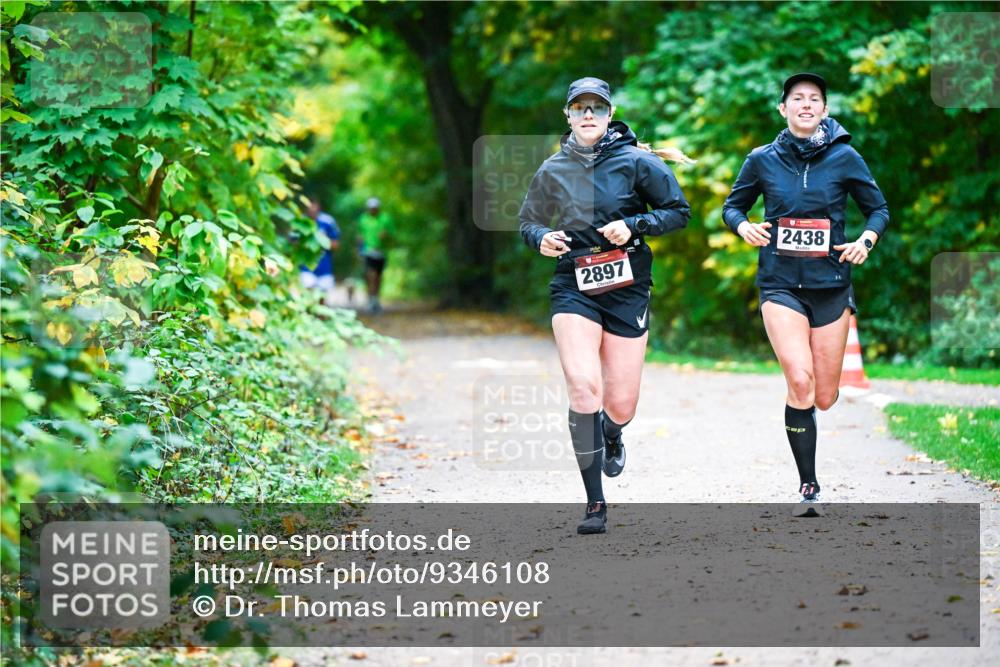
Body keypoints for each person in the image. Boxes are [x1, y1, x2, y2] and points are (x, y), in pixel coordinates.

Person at [519, 76, 692, 534]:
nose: (589, 114)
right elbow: (528, 221)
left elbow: (678, 212)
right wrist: (543, 238)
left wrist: (635, 225)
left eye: (597, 107)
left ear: (610, 114)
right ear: (569, 115)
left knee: (620, 402)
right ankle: (595, 502)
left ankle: (611, 433)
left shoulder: (638, 162)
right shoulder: (552, 169)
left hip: (627, 286)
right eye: (580, 108)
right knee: (582, 388)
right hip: (573, 284)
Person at [721, 73, 889, 516]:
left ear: (825, 110)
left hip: (832, 286)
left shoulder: (845, 157)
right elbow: (732, 206)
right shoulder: (762, 159)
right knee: (800, 380)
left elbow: (879, 209)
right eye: (797, 98)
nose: (806, 104)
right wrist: (744, 226)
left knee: (825, 396)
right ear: (784, 109)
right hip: (779, 284)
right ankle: (809, 485)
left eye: (815, 99)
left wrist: (865, 241)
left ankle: (810, 437)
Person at [299, 197, 340, 307]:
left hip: (324, 267)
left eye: (314, 206)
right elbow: (292, 241)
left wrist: (323, 241)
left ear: (319, 207)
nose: (312, 209)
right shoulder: (300, 221)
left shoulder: (328, 222)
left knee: (322, 301)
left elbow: (336, 244)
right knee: (308, 297)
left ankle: (320, 321)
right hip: (306, 266)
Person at [358, 197, 391, 313]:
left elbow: (392, 233)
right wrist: (359, 250)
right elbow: (360, 235)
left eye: (375, 208)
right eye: (371, 208)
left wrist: (386, 235)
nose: (373, 210)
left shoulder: (385, 218)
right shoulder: (363, 219)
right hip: (368, 251)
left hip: (381, 251)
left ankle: (376, 299)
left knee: (378, 277)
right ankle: (370, 299)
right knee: (370, 275)